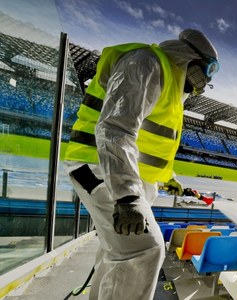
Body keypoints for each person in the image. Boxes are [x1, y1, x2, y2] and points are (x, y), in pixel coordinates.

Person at [64, 28, 219, 300]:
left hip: (123, 175)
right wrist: (127, 196)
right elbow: (115, 129)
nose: (203, 84)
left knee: (117, 251)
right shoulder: (146, 63)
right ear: (189, 58)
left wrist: (167, 178)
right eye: (204, 72)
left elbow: (149, 145)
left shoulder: (169, 86)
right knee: (143, 249)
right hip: (100, 168)